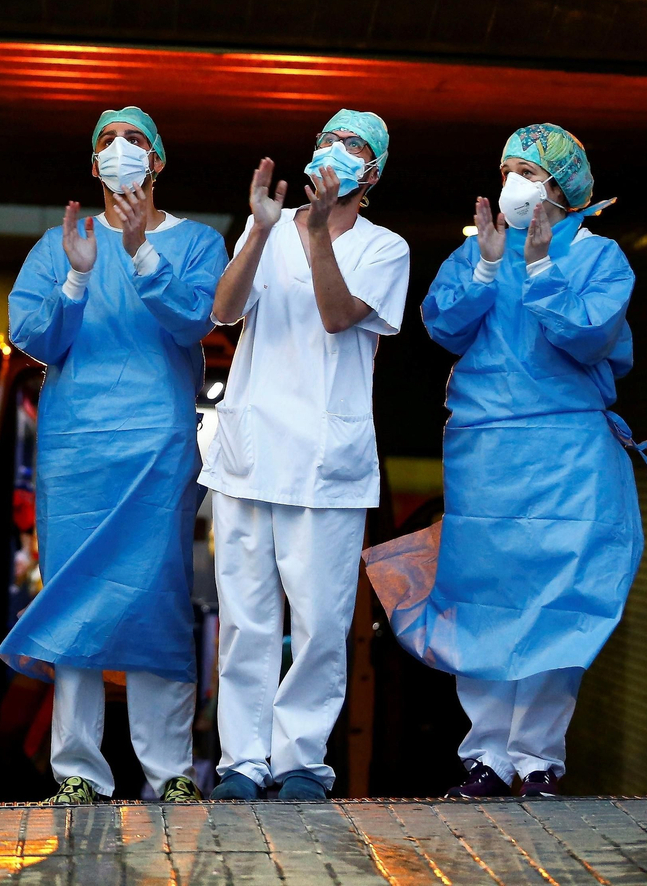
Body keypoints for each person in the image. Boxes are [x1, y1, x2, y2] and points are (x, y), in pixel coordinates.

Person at [363, 123, 642, 799]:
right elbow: (442, 324)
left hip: (568, 456)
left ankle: (537, 756)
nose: (515, 183)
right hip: (487, 452)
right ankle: (486, 755)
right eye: (508, 168)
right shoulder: (477, 252)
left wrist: (542, 268)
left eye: (531, 171)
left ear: (564, 187)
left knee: (558, 601)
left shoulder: (600, 259)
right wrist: (489, 266)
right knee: (481, 600)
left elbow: (588, 335)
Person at [0, 106, 228, 805]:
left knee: (156, 602)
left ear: (157, 161)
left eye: (134, 141)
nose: (120, 150)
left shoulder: (197, 243)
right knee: (75, 602)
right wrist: (74, 278)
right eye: (106, 140)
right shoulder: (60, 242)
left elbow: (199, 316)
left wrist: (140, 251)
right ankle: (77, 770)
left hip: (156, 450)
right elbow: (32, 333)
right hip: (75, 453)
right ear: (92, 164)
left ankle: (169, 771)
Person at [199, 110, 410, 802]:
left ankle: (299, 760)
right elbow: (226, 310)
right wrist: (261, 229)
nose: (334, 152)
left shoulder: (386, 247)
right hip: (251, 452)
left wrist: (316, 234)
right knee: (247, 616)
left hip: (326, 461)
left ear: (371, 171)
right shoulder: (269, 226)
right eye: (327, 140)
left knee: (319, 622)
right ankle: (241, 760)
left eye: (352, 146)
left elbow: (338, 314)